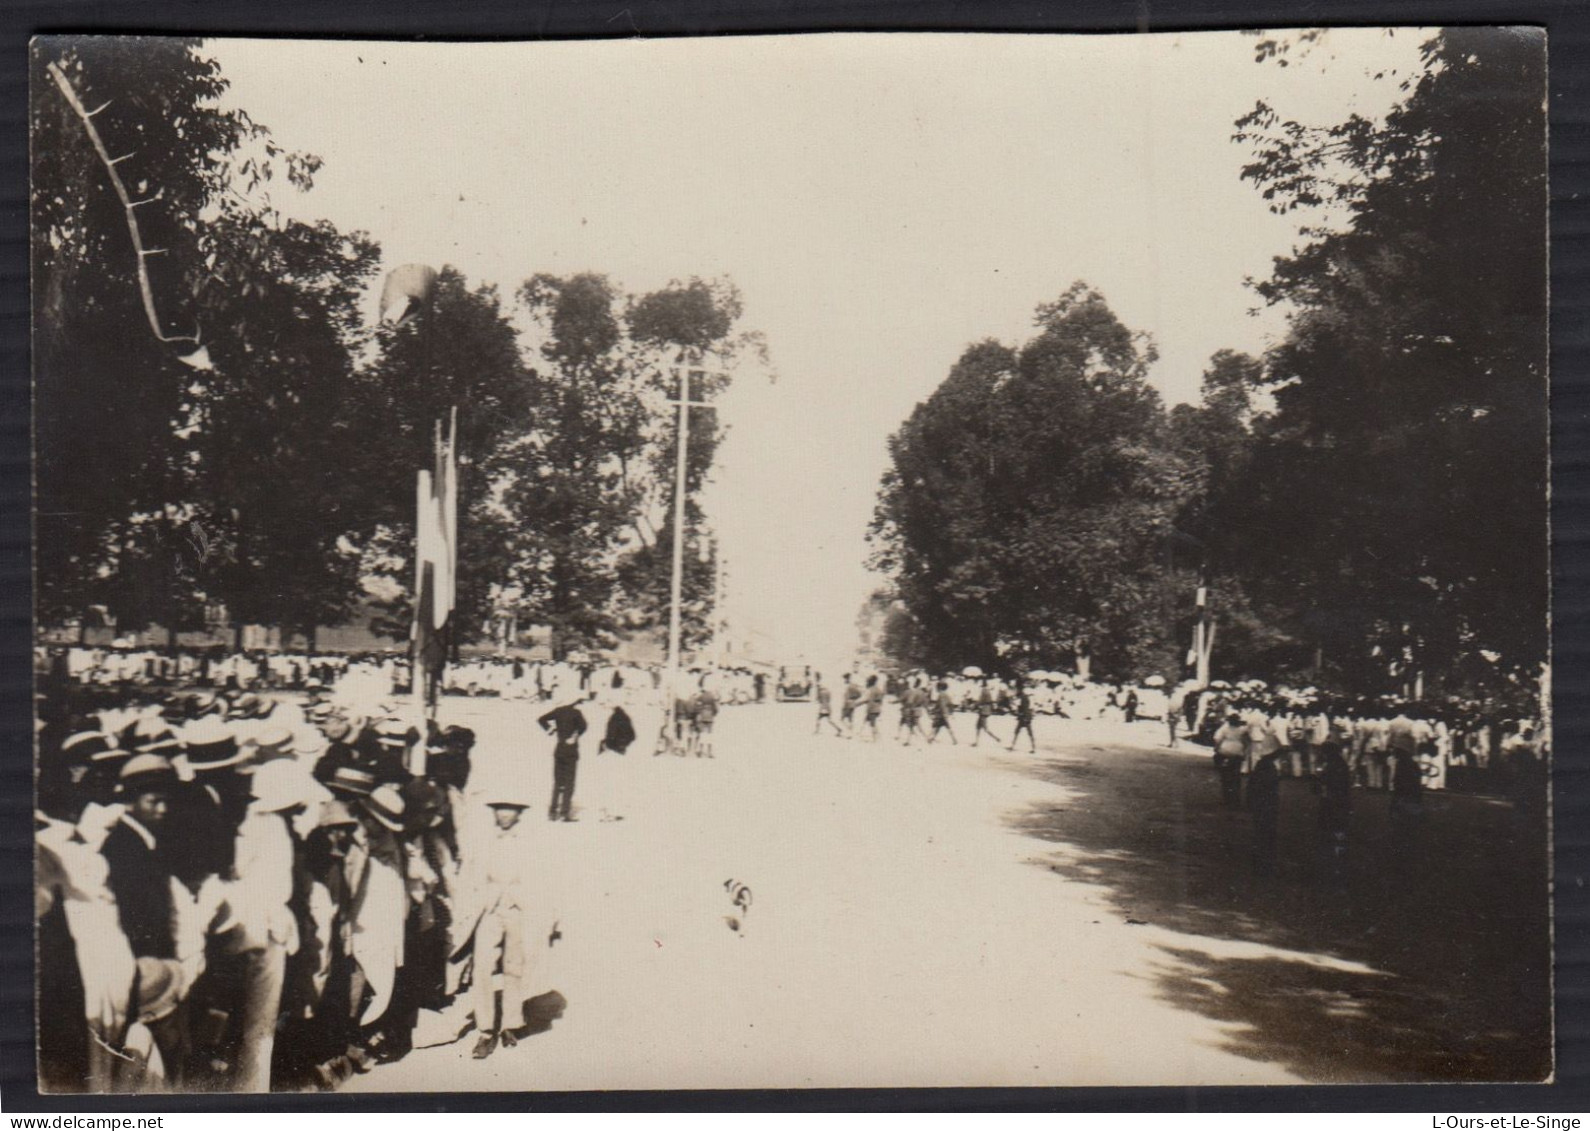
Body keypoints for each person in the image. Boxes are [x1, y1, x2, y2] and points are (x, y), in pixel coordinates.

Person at [463, 791, 533, 1060]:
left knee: (513, 966)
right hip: (489, 908)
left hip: (517, 907)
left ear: (519, 813)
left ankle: (511, 1024)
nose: (504, 813)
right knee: (482, 965)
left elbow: (542, 876)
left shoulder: (529, 842)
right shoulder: (483, 841)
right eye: (500, 808)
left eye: (510, 808)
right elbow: (471, 875)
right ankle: (486, 1030)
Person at [539, 693, 588, 822]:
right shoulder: (576, 713)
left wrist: (550, 730)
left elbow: (541, 719)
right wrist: (575, 736)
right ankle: (564, 813)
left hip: (559, 749)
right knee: (569, 783)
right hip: (571, 751)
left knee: (557, 783)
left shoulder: (558, 711)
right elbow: (584, 727)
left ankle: (552, 812)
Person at [1247, 744, 1282, 877]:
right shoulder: (1269, 768)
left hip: (1260, 805)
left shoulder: (1261, 765)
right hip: (1267, 805)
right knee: (1267, 835)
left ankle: (1260, 862)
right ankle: (1265, 864)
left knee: (1261, 834)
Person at [1212, 712, 1247, 810]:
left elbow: (1217, 739)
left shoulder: (1224, 728)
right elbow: (1245, 741)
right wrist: (1244, 749)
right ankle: (1236, 798)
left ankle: (1227, 797)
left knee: (1225, 776)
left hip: (1225, 751)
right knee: (1236, 777)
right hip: (1237, 752)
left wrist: (1216, 748)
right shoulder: (1242, 730)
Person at [1007, 682, 1037, 753]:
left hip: (1024, 717)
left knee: (1018, 732)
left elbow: (1023, 708)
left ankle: (1012, 746)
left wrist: (1019, 711)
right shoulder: (1024, 697)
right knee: (1028, 733)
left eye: (1017, 689)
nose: (1016, 691)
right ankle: (1033, 748)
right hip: (1025, 717)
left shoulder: (1022, 697)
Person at [927, 681, 958, 745]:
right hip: (944, 714)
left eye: (937, 687)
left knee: (935, 727)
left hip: (941, 714)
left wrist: (934, 711)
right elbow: (950, 704)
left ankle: (930, 739)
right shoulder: (947, 695)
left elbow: (941, 705)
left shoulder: (941, 695)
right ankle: (954, 739)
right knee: (945, 727)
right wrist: (950, 712)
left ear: (940, 688)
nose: (936, 689)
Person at [971, 680, 999, 748]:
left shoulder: (984, 691)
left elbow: (980, 700)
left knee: (984, 728)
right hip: (986, 710)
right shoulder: (988, 691)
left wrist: (974, 706)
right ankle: (976, 742)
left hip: (983, 711)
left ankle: (996, 738)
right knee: (978, 726)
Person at [860, 675, 884, 742]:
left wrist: (858, 704)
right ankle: (861, 735)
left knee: (872, 724)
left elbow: (867, 700)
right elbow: (880, 700)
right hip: (877, 709)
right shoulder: (879, 690)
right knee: (866, 722)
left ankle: (876, 739)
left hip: (871, 709)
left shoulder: (871, 690)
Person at [840, 674, 861, 738]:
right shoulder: (853, 685)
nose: (844, 680)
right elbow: (859, 694)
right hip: (852, 704)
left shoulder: (849, 686)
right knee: (850, 719)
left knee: (842, 719)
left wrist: (851, 699)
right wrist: (854, 699)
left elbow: (858, 694)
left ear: (847, 678)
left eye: (845, 678)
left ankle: (848, 733)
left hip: (847, 704)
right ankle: (850, 733)